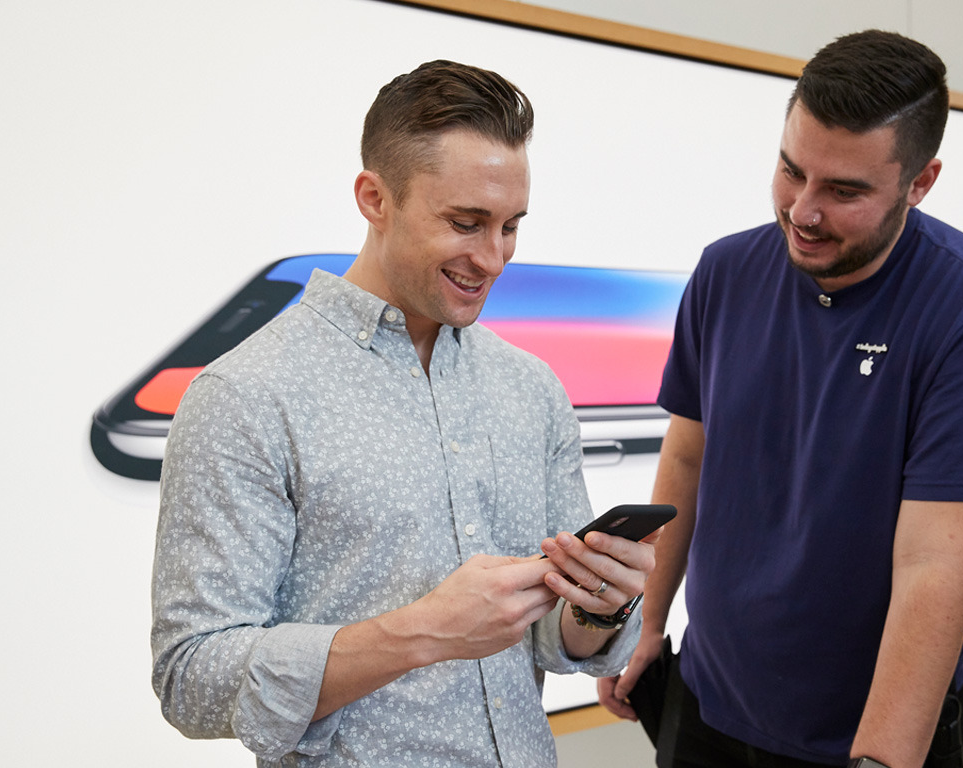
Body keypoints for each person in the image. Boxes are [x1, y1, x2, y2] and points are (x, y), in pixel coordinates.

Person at [151, 60, 654, 768]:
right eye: (465, 223)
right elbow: (190, 678)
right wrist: (422, 632)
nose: (493, 258)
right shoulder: (246, 396)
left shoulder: (531, 387)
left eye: (510, 227)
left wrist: (600, 604)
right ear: (374, 198)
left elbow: (554, 638)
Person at [599, 30, 963, 768]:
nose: (802, 211)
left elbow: (934, 567)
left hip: (867, 733)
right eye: (791, 171)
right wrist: (645, 622)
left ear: (920, 182)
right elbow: (687, 457)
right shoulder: (725, 273)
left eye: (844, 191)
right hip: (707, 700)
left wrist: (881, 758)